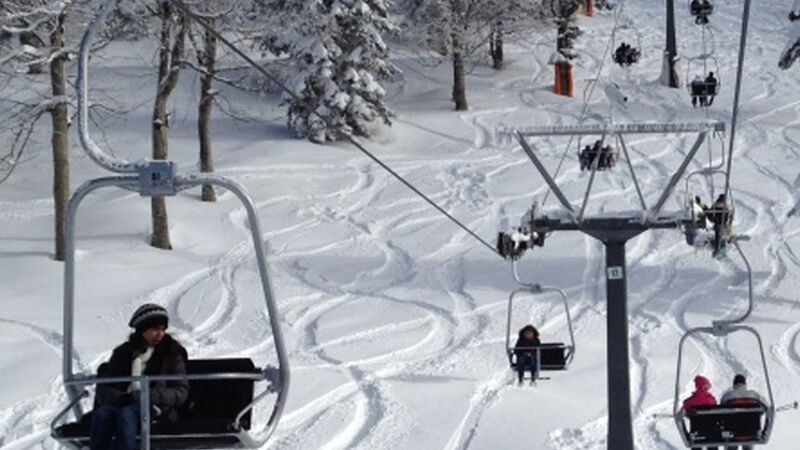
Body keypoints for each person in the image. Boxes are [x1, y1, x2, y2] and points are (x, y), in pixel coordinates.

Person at [90, 304, 189, 450]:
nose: (160, 334)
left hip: (157, 409)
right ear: (142, 329)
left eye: (163, 329)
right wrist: (122, 397)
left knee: (127, 414)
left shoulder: (171, 354)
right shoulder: (123, 354)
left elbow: (180, 391)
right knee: (102, 414)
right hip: (124, 403)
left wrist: (145, 396)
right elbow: (106, 388)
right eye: (155, 329)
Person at [720, 374, 764, 450]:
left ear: (734, 384)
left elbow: (722, 411)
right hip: (751, 432)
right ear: (745, 384)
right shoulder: (754, 395)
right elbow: (766, 406)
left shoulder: (727, 396)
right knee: (748, 439)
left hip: (733, 433)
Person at [682, 375, 719, 450]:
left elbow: (685, 407)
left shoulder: (690, 401)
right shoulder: (711, 400)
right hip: (711, 433)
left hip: (697, 433)